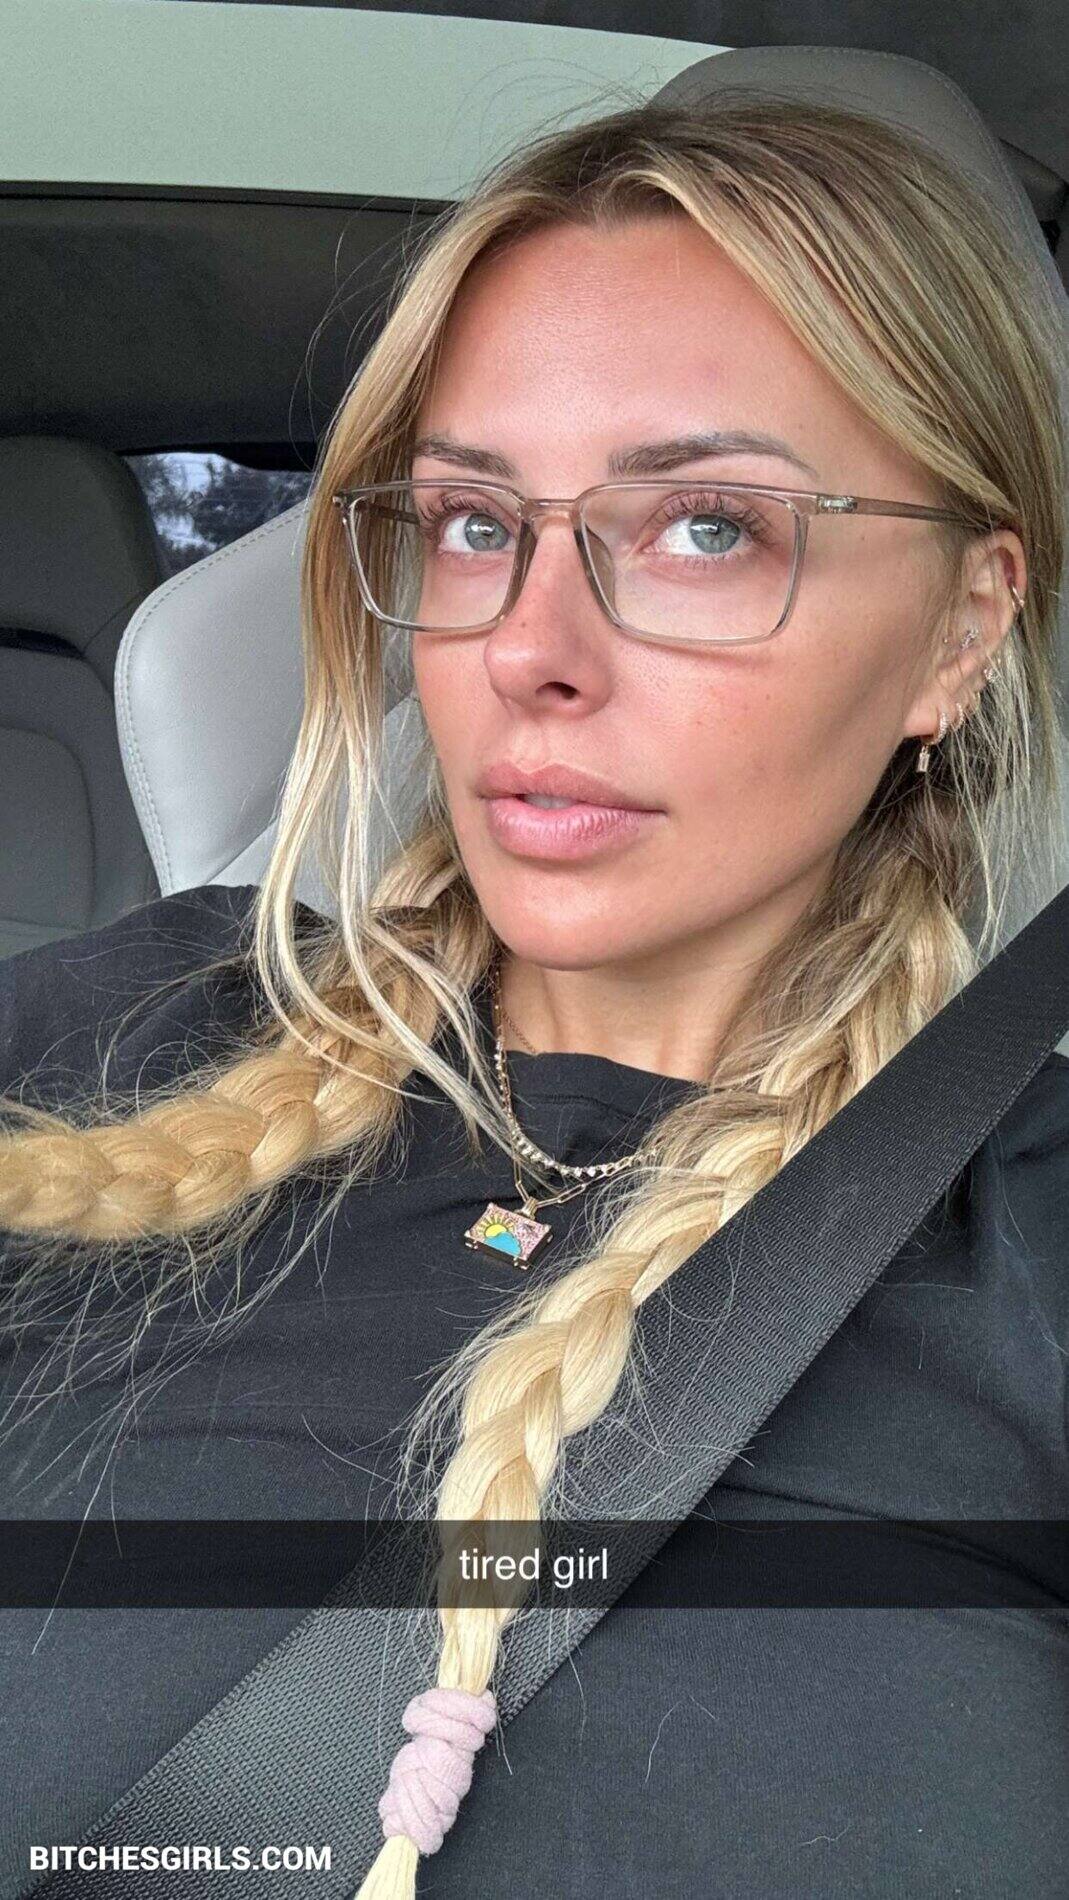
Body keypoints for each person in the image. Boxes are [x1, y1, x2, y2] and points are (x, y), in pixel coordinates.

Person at [1, 88, 1068, 1900]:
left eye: (707, 526)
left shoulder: (1023, 1235)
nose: (524, 651)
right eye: (474, 520)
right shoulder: (140, 1024)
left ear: (959, 630)